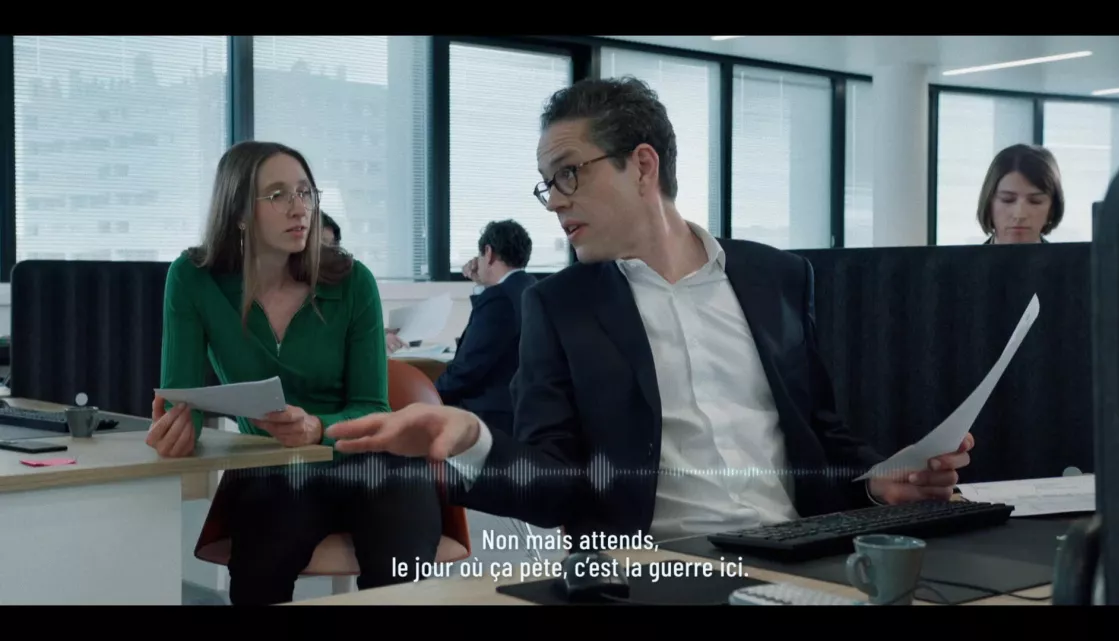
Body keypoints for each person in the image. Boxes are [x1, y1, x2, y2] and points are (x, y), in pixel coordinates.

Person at [324, 77, 975, 543]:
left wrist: (876, 483)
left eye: (568, 173)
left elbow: (820, 437)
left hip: (798, 553)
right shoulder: (560, 306)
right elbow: (553, 485)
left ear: (642, 166)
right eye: (547, 183)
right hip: (657, 567)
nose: (554, 200)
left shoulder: (774, 276)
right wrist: (475, 441)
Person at [144, 140, 441, 604]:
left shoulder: (353, 282)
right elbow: (184, 398)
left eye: (305, 192)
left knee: (400, 573)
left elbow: (373, 408)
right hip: (275, 466)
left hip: (369, 459)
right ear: (239, 212)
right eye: (278, 194)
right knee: (261, 565)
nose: (299, 207)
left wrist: (317, 428)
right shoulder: (193, 278)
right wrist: (180, 429)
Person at [435, 219, 536, 435]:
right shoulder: (530, 287)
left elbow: (467, 368)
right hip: (521, 411)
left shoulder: (499, 299)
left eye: (480, 256)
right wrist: (483, 284)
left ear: (488, 253)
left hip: (489, 416)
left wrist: (430, 396)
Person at [977, 144, 1065, 244]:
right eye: (1007, 200)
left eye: (1035, 201)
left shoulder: (1071, 255)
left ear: (1052, 209)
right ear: (988, 203)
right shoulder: (964, 255)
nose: (1019, 215)